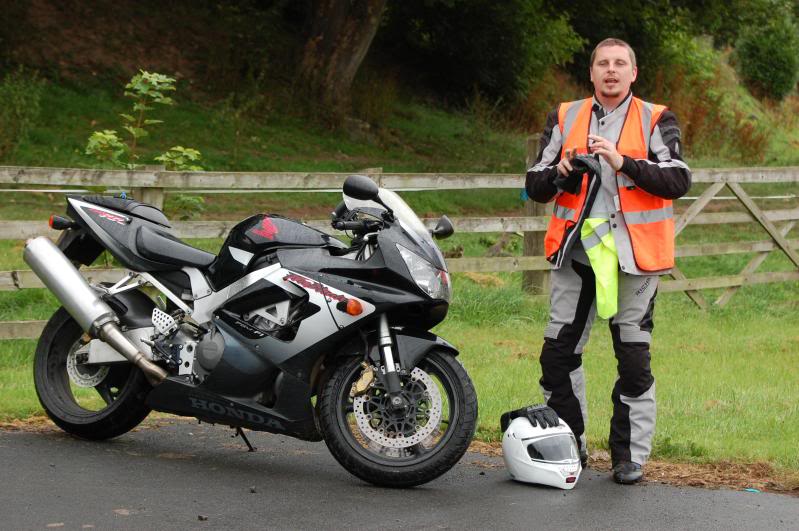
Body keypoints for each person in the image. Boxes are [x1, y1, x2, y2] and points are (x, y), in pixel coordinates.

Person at [524, 38, 691, 484]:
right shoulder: (565, 115)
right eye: (603, 64)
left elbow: (678, 179)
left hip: (633, 260)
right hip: (576, 256)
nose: (611, 71)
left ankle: (628, 456)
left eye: (620, 64)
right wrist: (559, 173)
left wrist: (625, 163)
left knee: (633, 361)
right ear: (592, 73)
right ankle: (568, 445)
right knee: (557, 358)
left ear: (633, 73)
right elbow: (533, 185)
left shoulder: (656, 117)